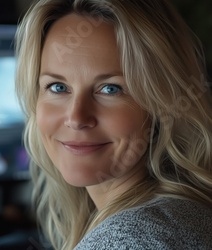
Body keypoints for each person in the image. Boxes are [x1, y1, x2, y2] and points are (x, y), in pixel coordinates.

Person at [14, 0, 212, 249]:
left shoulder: (132, 237)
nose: (76, 118)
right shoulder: (182, 213)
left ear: (162, 103)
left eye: (110, 89)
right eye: (58, 87)